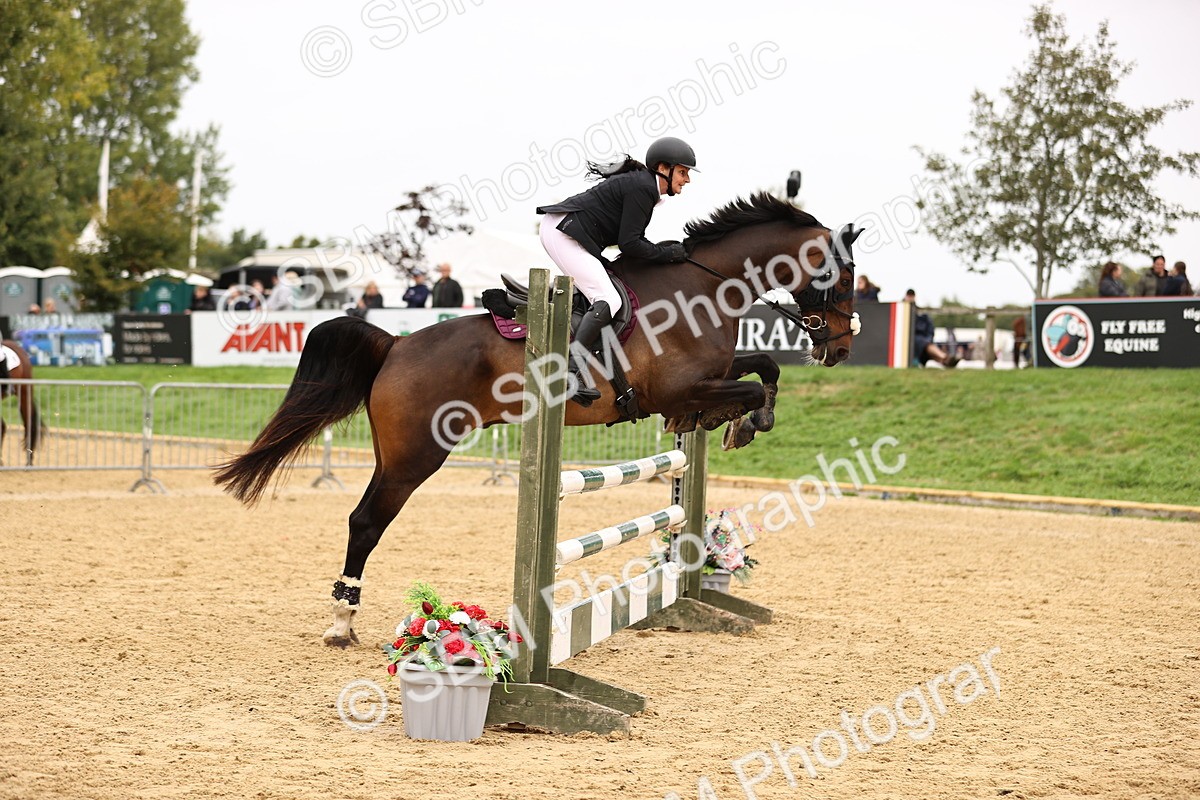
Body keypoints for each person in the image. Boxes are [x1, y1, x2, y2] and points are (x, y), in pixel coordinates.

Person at [536, 136, 695, 405]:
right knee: (609, 299)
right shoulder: (644, 188)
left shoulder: (647, 187)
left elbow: (631, 242)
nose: (687, 180)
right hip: (563, 234)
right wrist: (667, 254)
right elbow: (630, 243)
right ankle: (569, 372)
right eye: (682, 172)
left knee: (609, 288)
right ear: (662, 169)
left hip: (572, 233)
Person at [904, 289, 959, 368]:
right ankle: (945, 358)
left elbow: (930, 329)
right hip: (916, 342)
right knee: (927, 347)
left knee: (927, 347)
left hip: (922, 342)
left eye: (911, 296)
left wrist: (928, 339)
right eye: (909, 296)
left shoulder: (920, 313)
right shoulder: (901, 310)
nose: (910, 298)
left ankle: (946, 360)